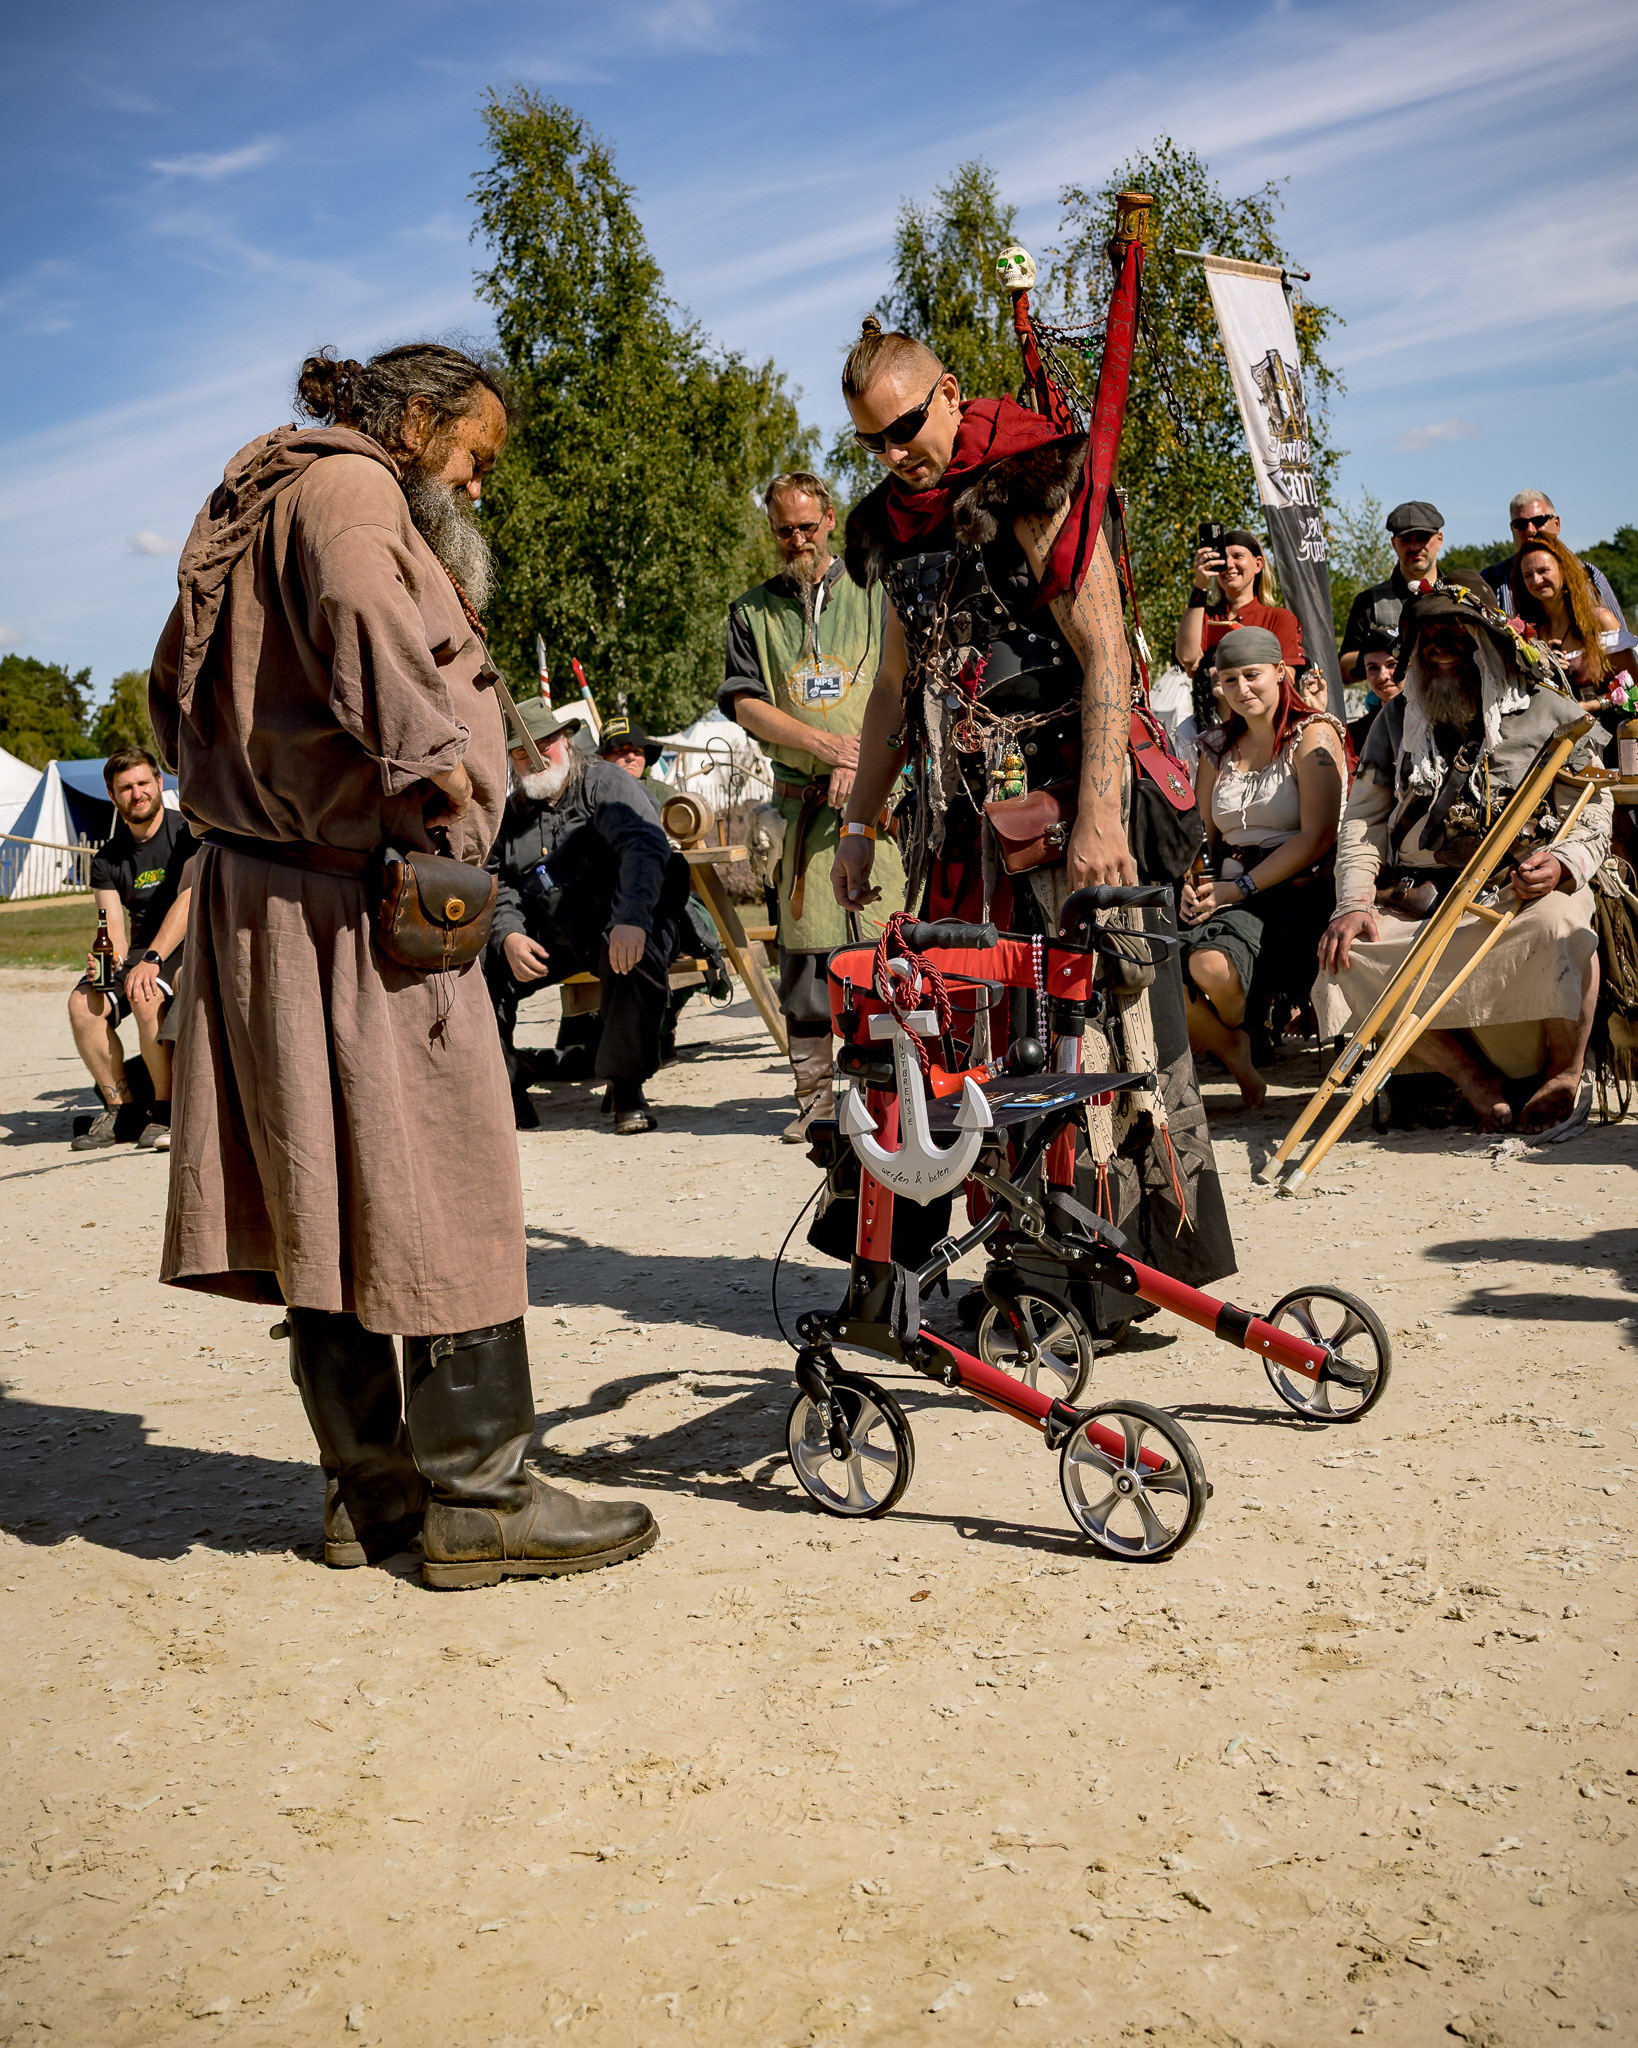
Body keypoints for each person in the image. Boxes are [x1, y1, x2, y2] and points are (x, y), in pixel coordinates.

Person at [148, 340, 656, 1588]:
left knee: (322, 1189)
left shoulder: (263, 493)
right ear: (419, 419)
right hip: (363, 898)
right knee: (444, 1173)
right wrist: (448, 797)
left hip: (272, 892)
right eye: (476, 455)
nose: (476, 485)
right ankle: (480, 1496)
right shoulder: (354, 490)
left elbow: (170, 692)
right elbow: (375, 636)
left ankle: (369, 1495)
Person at [829, 317, 1235, 1329]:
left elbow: (1107, 650)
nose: (895, 453)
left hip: (1064, 800)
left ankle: (1094, 1285)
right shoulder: (893, 524)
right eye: (873, 441)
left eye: (906, 428)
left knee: (1085, 1032)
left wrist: (1098, 811)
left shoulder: (1034, 479)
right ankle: (1002, 1267)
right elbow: (891, 689)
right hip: (962, 820)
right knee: (973, 1035)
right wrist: (859, 822)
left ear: (950, 393)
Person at [1315, 586, 1610, 1133]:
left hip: (1519, 894)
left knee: (1564, 924)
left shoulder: (1551, 711)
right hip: (1421, 898)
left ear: (1491, 641)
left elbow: (1592, 807)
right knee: (1346, 953)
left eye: (1457, 633)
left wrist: (1563, 863)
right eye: (1427, 636)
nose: (1440, 646)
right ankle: (1472, 1078)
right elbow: (1362, 820)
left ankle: (1564, 1073)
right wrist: (1353, 901)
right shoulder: (1395, 719)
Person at [723, 470, 907, 1141]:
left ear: (830, 519)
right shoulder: (751, 611)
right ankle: (815, 1103)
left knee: (890, 952)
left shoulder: (877, 590)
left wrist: (862, 763)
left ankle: (890, 1093)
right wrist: (826, 749)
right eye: (784, 530)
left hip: (880, 805)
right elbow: (746, 703)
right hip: (802, 812)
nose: (797, 540)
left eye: (807, 526)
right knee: (805, 965)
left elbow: (903, 682)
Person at [486, 697, 690, 1136]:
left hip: (615, 920)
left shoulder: (605, 782)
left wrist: (631, 919)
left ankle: (627, 1087)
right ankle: (509, 1083)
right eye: (520, 753)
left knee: (635, 957)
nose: (533, 759)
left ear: (564, 740)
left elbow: (644, 847)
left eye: (542, 746)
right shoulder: (512, 812)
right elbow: (497, 879)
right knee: (477, 968)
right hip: (552, 933)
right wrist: (509, 935)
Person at [1178, 627, 1345, 1107]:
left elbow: (1318, 836)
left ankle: (1242, 1031)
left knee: (1207, 965)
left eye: (1252, 675)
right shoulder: (1217, 746)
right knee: (1155, 962)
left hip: (1296, 890)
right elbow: (1201, 836)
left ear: (1280, 672)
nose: (1242, 689)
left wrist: (1242, 888)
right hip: (1227, 888)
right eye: (1229, 680)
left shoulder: (1313, 734)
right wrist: (1196, 884)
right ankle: (1235, 1045)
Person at [68, 747, 195, 1153]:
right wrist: (106, 961)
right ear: (112, 795)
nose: (136, 794)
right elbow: (113, 931)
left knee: (145, 993)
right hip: (140, 952)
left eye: (143, 783)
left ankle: (164, 1111)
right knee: (81, 1004)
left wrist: (152, 961)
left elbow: (188, 901)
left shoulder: (188, 833)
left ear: (159, 783)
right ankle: (119, 1109)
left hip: (183, 945)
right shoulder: (107, 859)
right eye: (125, 788)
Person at [1339, 501, 1483, 681]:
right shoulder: (1368, 601)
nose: (1415, 547)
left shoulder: (1463, 597)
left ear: (1440, 539)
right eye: (1406, 539)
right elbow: (1343, 671)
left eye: (1423, 538)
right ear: (1394, 543)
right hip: (1392, 699)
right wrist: (1377, 649)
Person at [1482, 491, 1636, 657]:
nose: (1530, 530)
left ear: (1557, 524)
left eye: (1539, 521)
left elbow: (1623, 649)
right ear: (1512, 529)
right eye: (1520, 524)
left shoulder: (1589, 575)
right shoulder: (1490, 582)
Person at [1173, 528, 1304, 678]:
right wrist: (1200, 586)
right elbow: (1187, 659)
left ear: (1258, 564)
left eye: (1237, 556)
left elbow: (1287, 678)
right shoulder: (1204, 616)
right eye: (1222, 558)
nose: (1229, 565)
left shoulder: (1278, 618)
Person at [1510, 532, 1627, 698]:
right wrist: (1544, 668)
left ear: (1563, 570)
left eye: (1543, 571)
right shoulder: (1530, 636)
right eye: (1528, 575)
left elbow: (1634, 690)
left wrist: (1590, 706)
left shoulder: (1601, 621)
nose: (1536, 580)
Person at [1347, 627, 1402, 756]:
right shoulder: (1353, 737)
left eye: (1392, 665)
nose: (1383, 676)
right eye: (1373, 668)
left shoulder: (1436, 723)